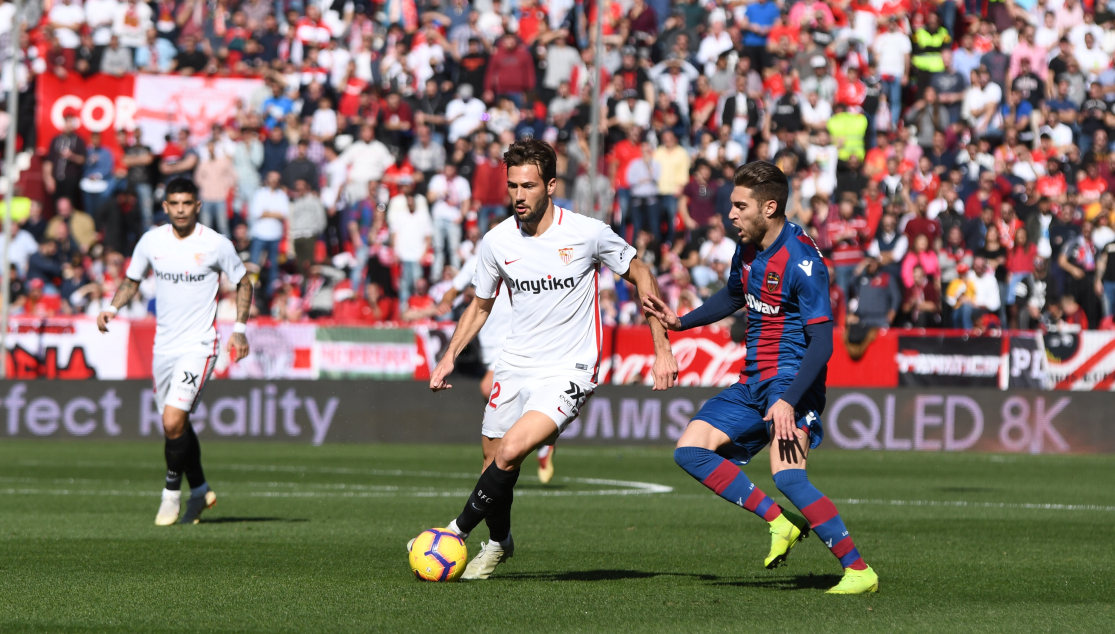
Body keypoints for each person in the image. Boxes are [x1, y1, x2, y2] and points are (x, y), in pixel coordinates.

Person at [416, 140, 678, 580]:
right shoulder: (497, 241)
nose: (519, 196)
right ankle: (499, 543)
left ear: (551, 185)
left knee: (513, 450)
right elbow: (479, 306)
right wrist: (449, 357)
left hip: (569, 369)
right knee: (492, 461)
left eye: (529, 186)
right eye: (513, 186)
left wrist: (662, 348)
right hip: (515, 365)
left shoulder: (587, 233)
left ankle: (451, 534)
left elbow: (642, 273)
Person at [642, 160, 878, 594]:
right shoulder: (746, 246)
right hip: (752, 380)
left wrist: (789, 398)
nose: (729, 214)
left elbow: (823, 343)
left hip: (790, 383)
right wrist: (681, 322)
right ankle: (778, 522)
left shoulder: (803, 260)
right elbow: (735, 293)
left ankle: (859, 571)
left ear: (769, 207)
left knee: (789, 477)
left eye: (739, 206)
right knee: (691, 451)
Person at [96, 177, 252, 526]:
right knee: (175, 426)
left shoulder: (215, 244)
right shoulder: (152, 241)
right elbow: (132, 279)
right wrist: (113, 307)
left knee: (171, 420)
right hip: (163, 347)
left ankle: (170, 495)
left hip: (199, 345)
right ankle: (200, 491)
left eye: (187, 203)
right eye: (174, 203)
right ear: (165, 207)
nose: (181, 209)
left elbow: (243, 281)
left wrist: (239, 330)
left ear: (197, 206)